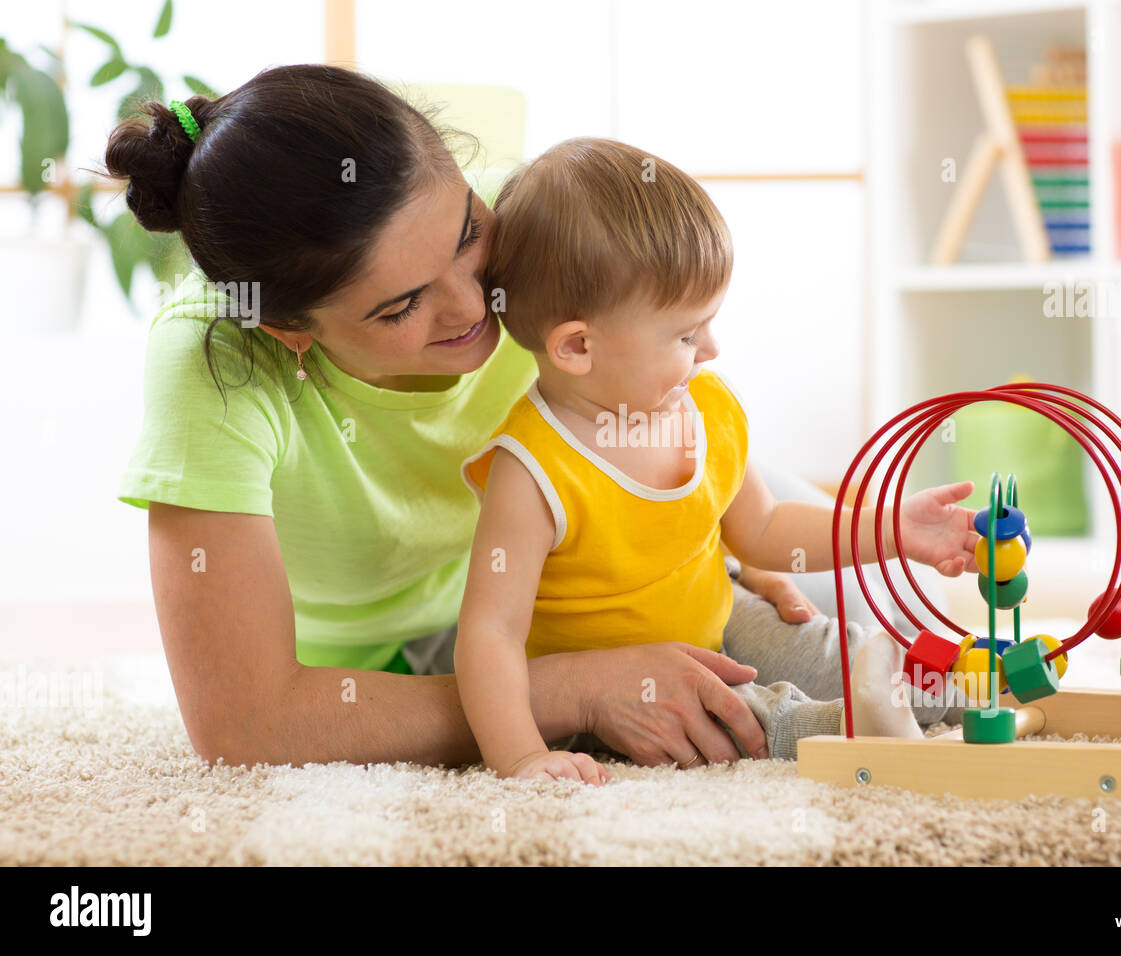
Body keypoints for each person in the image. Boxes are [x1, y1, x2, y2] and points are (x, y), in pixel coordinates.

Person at [108, 63, 922, 772]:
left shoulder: (532, 221)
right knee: (714, 702)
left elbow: (666, 353)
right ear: (292, 330)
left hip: (604, 544)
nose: (475, 307)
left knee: (877, 616)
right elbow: (245, 726)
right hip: (424, 643)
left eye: (467, 234)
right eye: (400, 308)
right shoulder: (212, 367)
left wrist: (714, 533)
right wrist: (566, 691)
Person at [456, 138, 980, 784]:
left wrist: (894, 527)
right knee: (749, 718)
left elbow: (764, 529)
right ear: (577, 347)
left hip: (720, 621)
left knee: (833, 646)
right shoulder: (530, 472)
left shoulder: (701, 407)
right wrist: (522, 757)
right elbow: (490, 635)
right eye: (685, 334)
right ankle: (858, 725)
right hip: (622, 693)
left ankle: (976, 687)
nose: (711, 347)